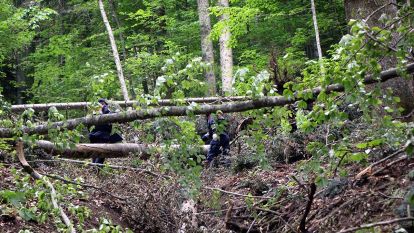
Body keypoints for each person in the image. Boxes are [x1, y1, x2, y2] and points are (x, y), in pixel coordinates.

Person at [89, 98, 123, 164]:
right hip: (99, 136)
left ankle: (95, 167)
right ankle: (95, 168)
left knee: (98, 152)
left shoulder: (102, 111)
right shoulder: (97, 111)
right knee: (99, 153)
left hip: (99, 136)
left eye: (102, 104)